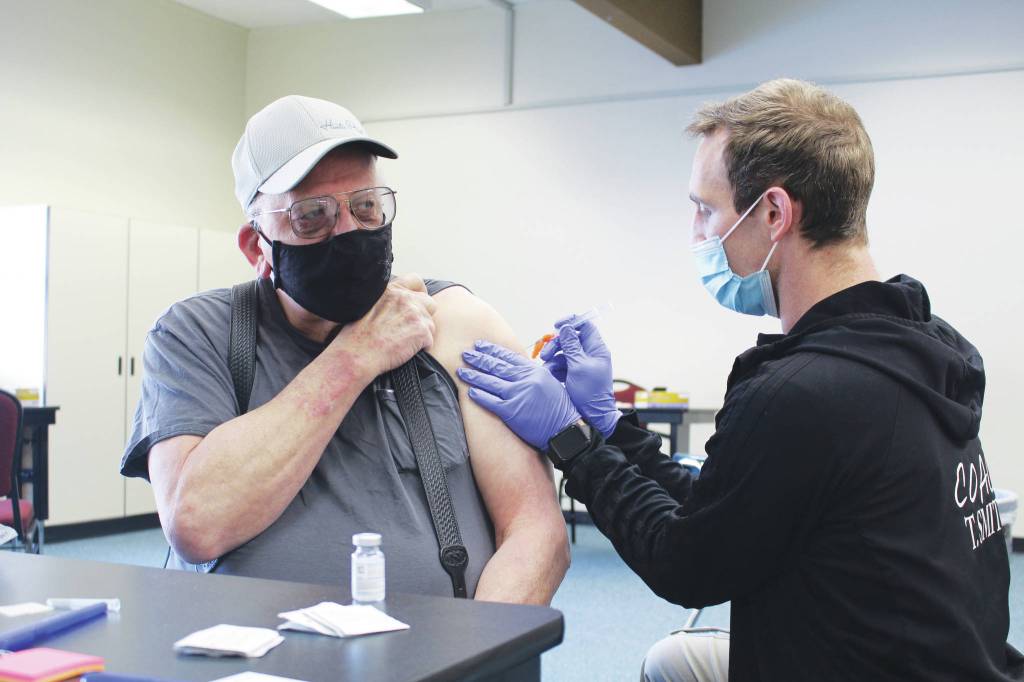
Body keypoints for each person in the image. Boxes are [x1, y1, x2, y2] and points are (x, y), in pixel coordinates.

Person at [457, 79, 1024, 680]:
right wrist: (607, 425)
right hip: (947, 659)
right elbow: (722, 511)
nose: (697, 233)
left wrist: (569, 438)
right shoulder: (918, 346)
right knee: (675, 661)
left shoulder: (805, 391)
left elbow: (687, 564)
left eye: (706, 210)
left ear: (774, 213)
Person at [120, 95, 568, 604]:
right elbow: (197, 525)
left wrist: (474, 653)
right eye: (311, 215)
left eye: (365, 207)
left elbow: (537, 533)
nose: (350, 231)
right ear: (256, 246)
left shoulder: (456, 323)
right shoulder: (196, 334)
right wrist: (355, 357)